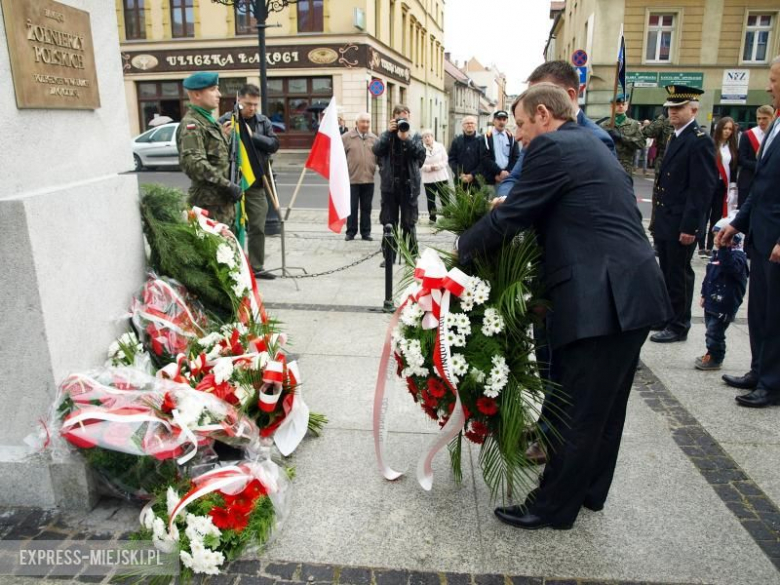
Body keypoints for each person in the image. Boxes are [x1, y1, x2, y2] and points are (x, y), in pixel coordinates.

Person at [457, 83, 671, 530]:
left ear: (542, 114)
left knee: (576, 408)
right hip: (633, 290)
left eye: (519, 124)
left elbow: (515, 216)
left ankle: (552, 508)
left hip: (601, 297)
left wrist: (464, 247)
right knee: (607, 408)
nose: (517, 135)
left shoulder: (552, 146)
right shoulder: (589, 144)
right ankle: (589, 491)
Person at [716, 55, 780, 408]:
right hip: (762, 234)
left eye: (773, 80)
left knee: (775, 314)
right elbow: (763, 186)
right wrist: (736, 224)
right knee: (759, 310)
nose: (769, 86)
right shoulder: (774, 125)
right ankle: (760, 369)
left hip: (777, 240)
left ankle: (772, 383)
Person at [650, 85, 718, 344]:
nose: (673, 113)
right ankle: (667, 315)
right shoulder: (676, 136)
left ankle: (679, 324)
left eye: (679, 108)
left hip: (682, 222)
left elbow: (702, 189)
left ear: (694, 108)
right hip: (667, 218)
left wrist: (691, 226)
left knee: (679, 273)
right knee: (666, 270)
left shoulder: (699, 141)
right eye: (670, 108)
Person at [496, 60, 615, 199]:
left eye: (539, 96)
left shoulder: (598, 140)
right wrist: (504, 199)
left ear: (569, 96)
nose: (530, 104)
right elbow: (514, 179)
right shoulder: (533, 133)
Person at [217, 84, 280, 280]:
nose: (252, 108)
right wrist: (224, 135)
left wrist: (253, 136)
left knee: (258, 227)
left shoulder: (263, 121)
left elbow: (274, 144)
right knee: (232, 227)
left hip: (257, 182)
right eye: (248, 104)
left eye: (255, 104)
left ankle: (257, 266)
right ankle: (233, 265)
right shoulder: (225, 121)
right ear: (239, 101)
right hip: (232, 184)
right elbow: (214, 149)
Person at [177, 72, 243, 227]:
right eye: (213, 89)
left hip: (223, 206)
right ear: (197, 94)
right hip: (208, 208)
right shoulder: (192, 124)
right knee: (214, 251)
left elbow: (217, 157)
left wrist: (224, 138)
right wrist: (227, 184)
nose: (219, 94)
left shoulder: (209, 122)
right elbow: (194, 164)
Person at [373, 104, 426, 264]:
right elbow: (376, 150)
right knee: (389, 223)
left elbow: (421, 155)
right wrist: (389, 133)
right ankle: (389, 257)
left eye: (406, 115)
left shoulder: (415, 135)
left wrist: (407, 139)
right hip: (390, 188)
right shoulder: (386, 135)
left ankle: (411, 256)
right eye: (400, 116)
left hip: (409, 187)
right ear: (394, 117)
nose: (403, 119)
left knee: (409, 224)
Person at [694, 219, 748, 371]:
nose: (716, 241)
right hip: (712, 300)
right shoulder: (718, 255)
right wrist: (704, 294)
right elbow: (709, 276)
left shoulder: (737, 258)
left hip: (725, 303)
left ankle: (716, 357)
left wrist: (724, 250)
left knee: (715, 333)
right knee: (710, 330)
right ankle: (711, 352)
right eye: (715, 237)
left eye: (719, 237)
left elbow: (729, 267)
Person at [698, 117, 738, 257]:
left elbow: (733, 169)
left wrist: (733, 188)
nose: (727, 131)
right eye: (725, 128)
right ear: (719, 128)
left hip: (723, 186)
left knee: (716, 216)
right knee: (704, 215)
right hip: (709, 184)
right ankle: (701, 245)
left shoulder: (732, 148)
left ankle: (710, 245)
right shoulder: (711, 144)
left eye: (730, 129)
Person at [343, 113, 378, 242]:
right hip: (352, 180)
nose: (365, 125)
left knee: (366, 208)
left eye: (368, 122)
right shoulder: (346, 138)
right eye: (363, 122)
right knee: (351, 208)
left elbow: (379, 158)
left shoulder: (374, 139)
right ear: (356, 123)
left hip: (368, 179)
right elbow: (339, 157)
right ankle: (350, 232)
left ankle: (366, 232)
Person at [642, 112, 675, 237]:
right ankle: (656, 231)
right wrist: (661, 118)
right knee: (658, 199)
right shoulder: (664, 122)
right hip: (662, 164)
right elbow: (646, 133)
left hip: (678, 165)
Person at [736, 105, 774, 209]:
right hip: (748, 181)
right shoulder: (747, 135)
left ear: (772, 117)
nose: (761, 121)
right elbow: (742, 159)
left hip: (769, 182)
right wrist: (761, 166)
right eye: (758, 118)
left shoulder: (775, 135)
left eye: (765, 118)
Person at [599, 94, 646, 176]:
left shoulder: (634, 124)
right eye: (617, 104)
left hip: (626, 167)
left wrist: (622, 137)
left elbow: (641, 144)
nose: (620, 106)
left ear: (627, 106)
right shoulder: (604, 125)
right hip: (608, 164)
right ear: (612, 106)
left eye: (623, 104)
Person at [480, 110, 520, 193]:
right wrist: (498, 172)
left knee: (505, 203)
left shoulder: (512, 138)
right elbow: (485, 158)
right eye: (499, 119)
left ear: (507, 121)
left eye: (504, 119)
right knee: (490, 204)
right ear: (494, 121)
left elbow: (516, 157)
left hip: (507, 179)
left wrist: (507, 173)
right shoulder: (486, 137)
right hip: (491, 180)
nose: (501, 122)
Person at [420, 129, 449, 223]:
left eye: (429, 136)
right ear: (423, 139)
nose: (427, 138)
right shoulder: (420, 148)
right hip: (428, 179)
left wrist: (437, 166)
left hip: (441, 177)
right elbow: (418, 163)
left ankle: (447, 217)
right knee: (431, 200)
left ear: (432, 137)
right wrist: (428, 168)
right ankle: (432, 218)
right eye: (425, 137)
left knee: (445, 198)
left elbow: (445, 160)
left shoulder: (440, 146)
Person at [448, 116, 482, 190]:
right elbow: (452, 159)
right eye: (467, 123)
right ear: (463, 126)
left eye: (472, 123)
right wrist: (460, 174)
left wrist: (473, 175)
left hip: (477, 180)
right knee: (460, 201)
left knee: (477, 201)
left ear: (475, 125)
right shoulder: (457, 141)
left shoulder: (481, 141)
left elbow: (484, 161)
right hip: (460, 179)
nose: (469, 125)